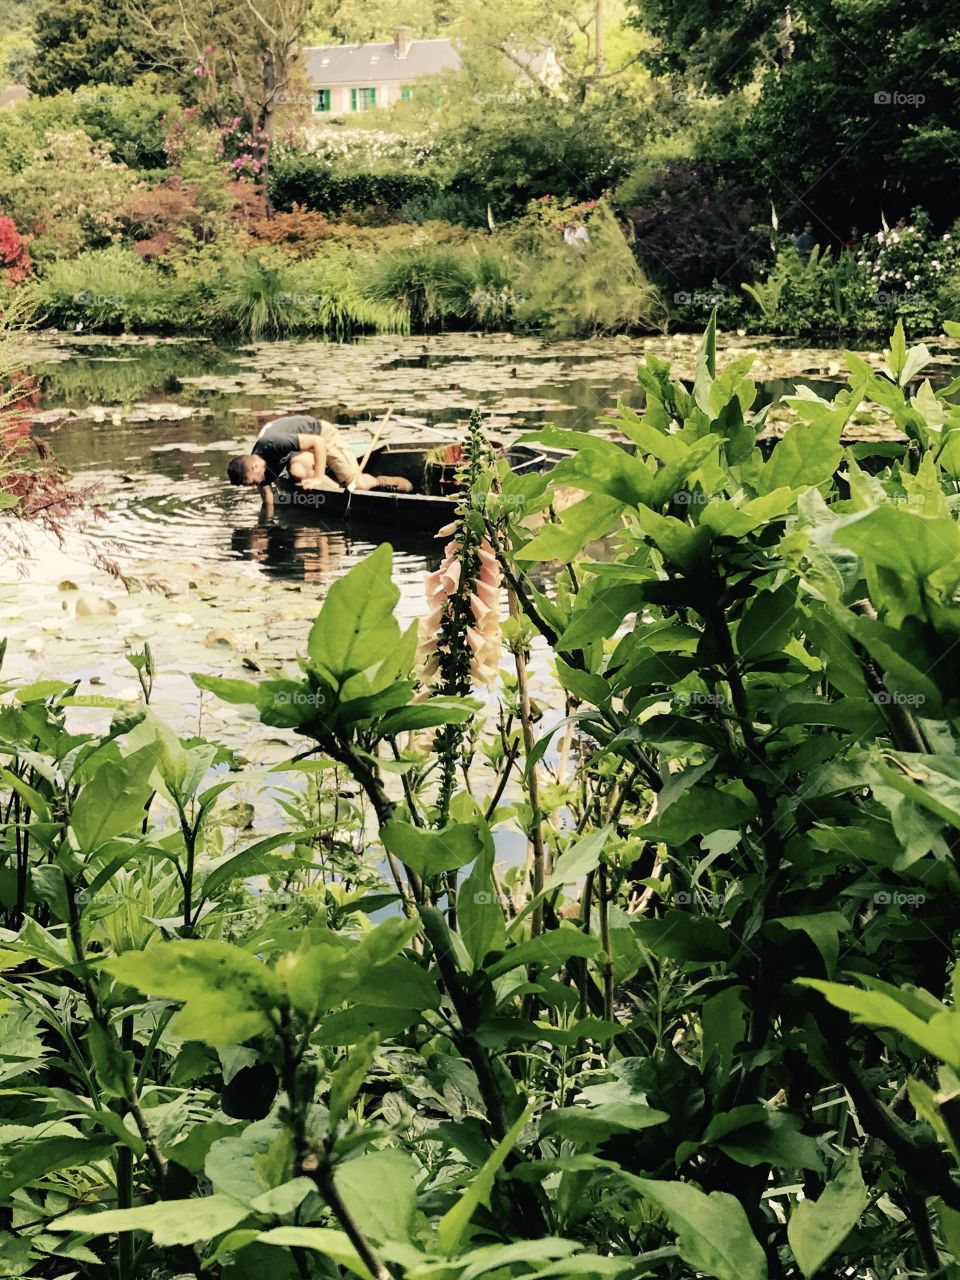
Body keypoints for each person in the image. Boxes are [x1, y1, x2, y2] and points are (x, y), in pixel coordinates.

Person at [227, 414, 411, 516]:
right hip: (298, 449)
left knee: (358, 485)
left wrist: (316, 478)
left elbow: (318, 442)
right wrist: (265, 524)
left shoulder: (273, 443)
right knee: (298, 470)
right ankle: (338, 491)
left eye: (251, 482)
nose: (254, 485)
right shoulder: (258, 472)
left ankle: (382, 481)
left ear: (254, 468)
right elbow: (267, 499)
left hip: (320, 435)